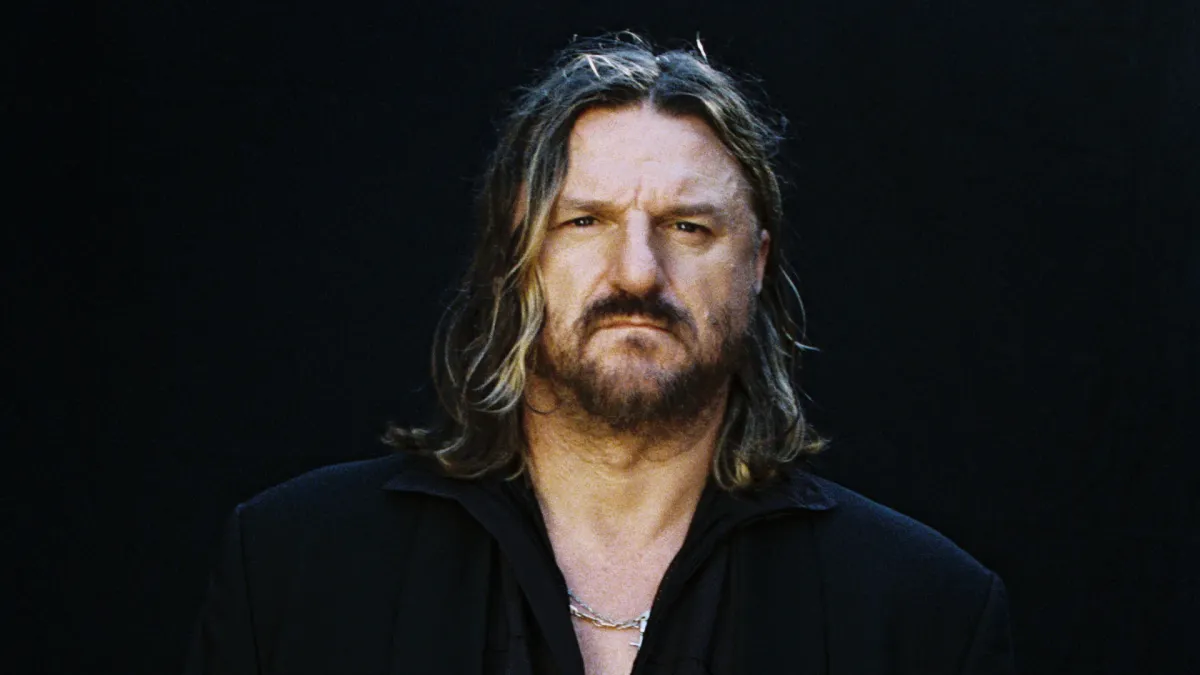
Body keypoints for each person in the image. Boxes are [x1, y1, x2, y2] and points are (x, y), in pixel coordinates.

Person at [184, 33, 1015, 675]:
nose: (638, 272)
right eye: (586, 221)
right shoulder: (296, 571)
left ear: (757, 263)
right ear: (519, 253)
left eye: (689, 226)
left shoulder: (924, 614)